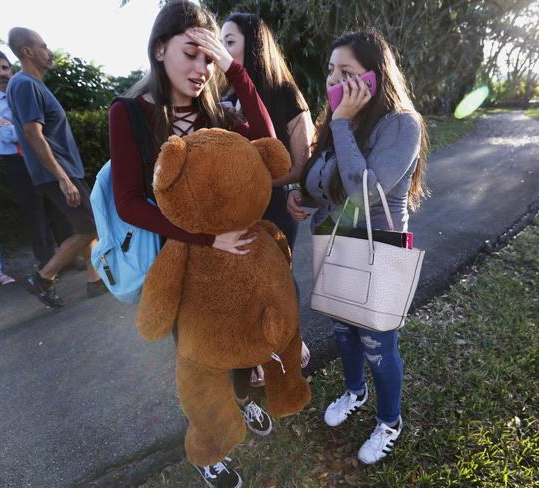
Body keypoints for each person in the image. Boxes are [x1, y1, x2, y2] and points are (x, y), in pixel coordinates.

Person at [108, 2, 275, 486]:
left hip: (234, 257)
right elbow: (129, 203)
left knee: (240, 347)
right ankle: (209, 451)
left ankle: (241, 402)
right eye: (191, 54)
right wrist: (204, 238)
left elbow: (267, 146)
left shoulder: (216, 114)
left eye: (209, 57)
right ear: (160, 50)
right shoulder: (129, 114)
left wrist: (234, 68)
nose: (201, 69)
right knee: (199, 361)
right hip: (180, 261)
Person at [287, 31, 427, 465]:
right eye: (332, 70)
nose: (335, 79)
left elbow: (363, 192)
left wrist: (342, 123)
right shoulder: (339, 123)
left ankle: (390, 420)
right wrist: (302, 196)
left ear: (374, 75)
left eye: (346, 71)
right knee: (343, 330)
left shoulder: (401, 124)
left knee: (377, 345)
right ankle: (355, 392)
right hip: (333, 245)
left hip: (377, 251)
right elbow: (323, 181)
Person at [219, 12, 312, 394]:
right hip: (233, 210)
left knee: (276, 280)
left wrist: (268, 183)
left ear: (252, 46)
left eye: (229, 41)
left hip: (273, 204)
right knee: (243, 282)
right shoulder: (218, 96)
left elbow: (301, 162)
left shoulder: (283, 93)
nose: (219, 50)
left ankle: (291, 342)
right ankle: (257, 353)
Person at [6, 28, 105, 307]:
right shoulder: (25, 84)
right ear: (27, 51)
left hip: (62, 170)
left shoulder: (32, 85)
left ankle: (95, 280)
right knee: (92, 224)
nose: (49, 52)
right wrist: (62, 177)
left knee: (85, 224)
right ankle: (44, 277)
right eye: (43, 46)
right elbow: (32, 134)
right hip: (57, 172)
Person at [0, 49, 71, 270]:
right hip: (15, 162)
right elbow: (11, 134)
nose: (1, 73)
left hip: (41, 153)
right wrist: (30, 128)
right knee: (34, 211)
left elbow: (40, 127)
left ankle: (69, 256)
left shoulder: (21, 88)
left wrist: (23, 128)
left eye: (5, 67)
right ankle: (48, 264)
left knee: (59, 204)